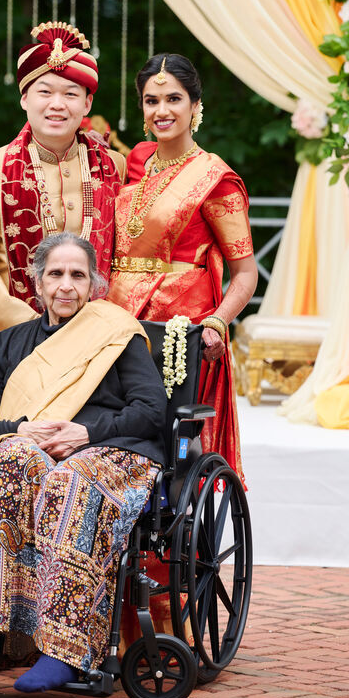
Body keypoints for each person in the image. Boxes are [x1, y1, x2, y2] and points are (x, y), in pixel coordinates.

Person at [0, 234, 167, 693]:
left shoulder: (116, 335)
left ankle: (65, 650)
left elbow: (152, 411)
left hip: (115, 454)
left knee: (69, 481)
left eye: (78, 275)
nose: (66, 286)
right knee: (9, 457)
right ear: (36, 283)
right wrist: (18, 428)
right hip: (38, 450)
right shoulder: (8, 344)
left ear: (95, 283)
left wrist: (88, 433)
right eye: (56, 274)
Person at [0, 21, 126, 510]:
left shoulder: (115, 166)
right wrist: (29, 324)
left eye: (72, 93)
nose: (57, 104)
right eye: (44, 90)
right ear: (24, 98)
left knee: (81, 453)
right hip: (15, 337)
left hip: (95, 340)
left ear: (87, 105)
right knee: (3, 457)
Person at [107, 53, 258, 485]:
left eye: (174, 98)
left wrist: (218, 321)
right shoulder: (136, 161)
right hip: (118, 318)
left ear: (196, 106)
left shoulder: (215, 179)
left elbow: (246, 274)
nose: (162, 111)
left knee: (163, 440)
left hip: (177, 331)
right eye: (151, 100)